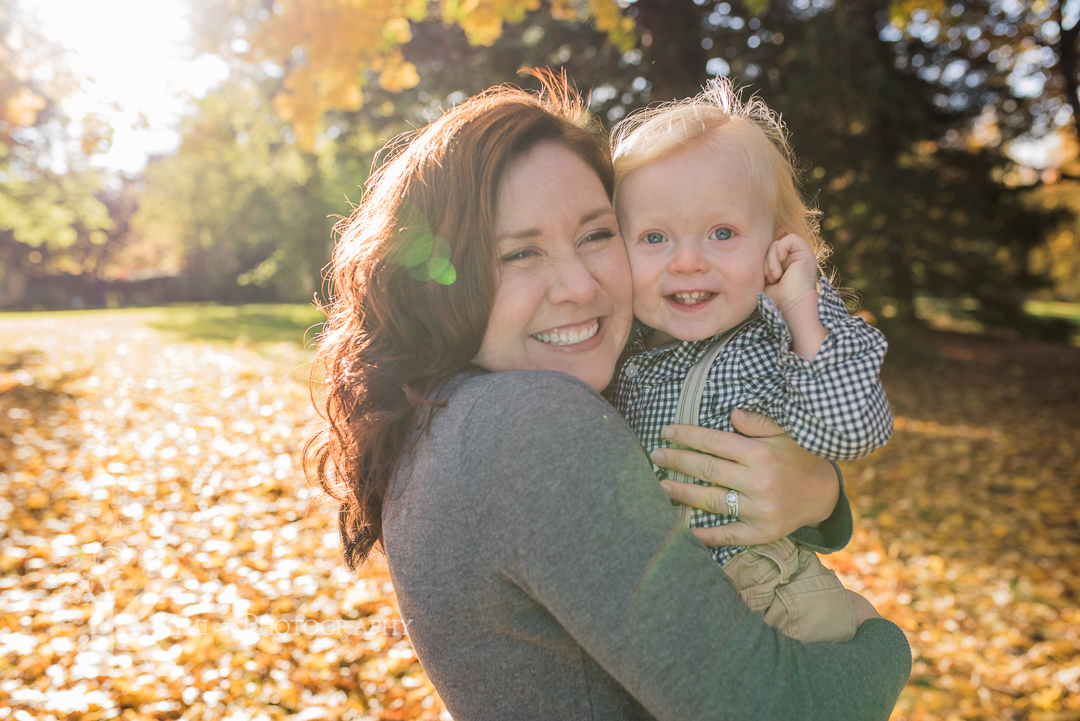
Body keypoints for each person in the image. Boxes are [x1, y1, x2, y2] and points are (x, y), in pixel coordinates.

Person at [306, 75, 910, 720]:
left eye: (596, 235)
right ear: (441, 281)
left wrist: (816, 494)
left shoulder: (447, 414)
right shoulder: (532, 420)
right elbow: (768, 708)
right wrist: (885, 646)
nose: (577, 286)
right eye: (519, 253)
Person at [608, 79, 893, 644]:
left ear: (774, 244)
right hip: (660, 607)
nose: (688, 261)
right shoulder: (622, 354)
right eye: (655, 236)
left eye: (722, 233)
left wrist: (800, 309)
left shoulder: (770, 345)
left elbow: (853, 429)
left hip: (768, 600)